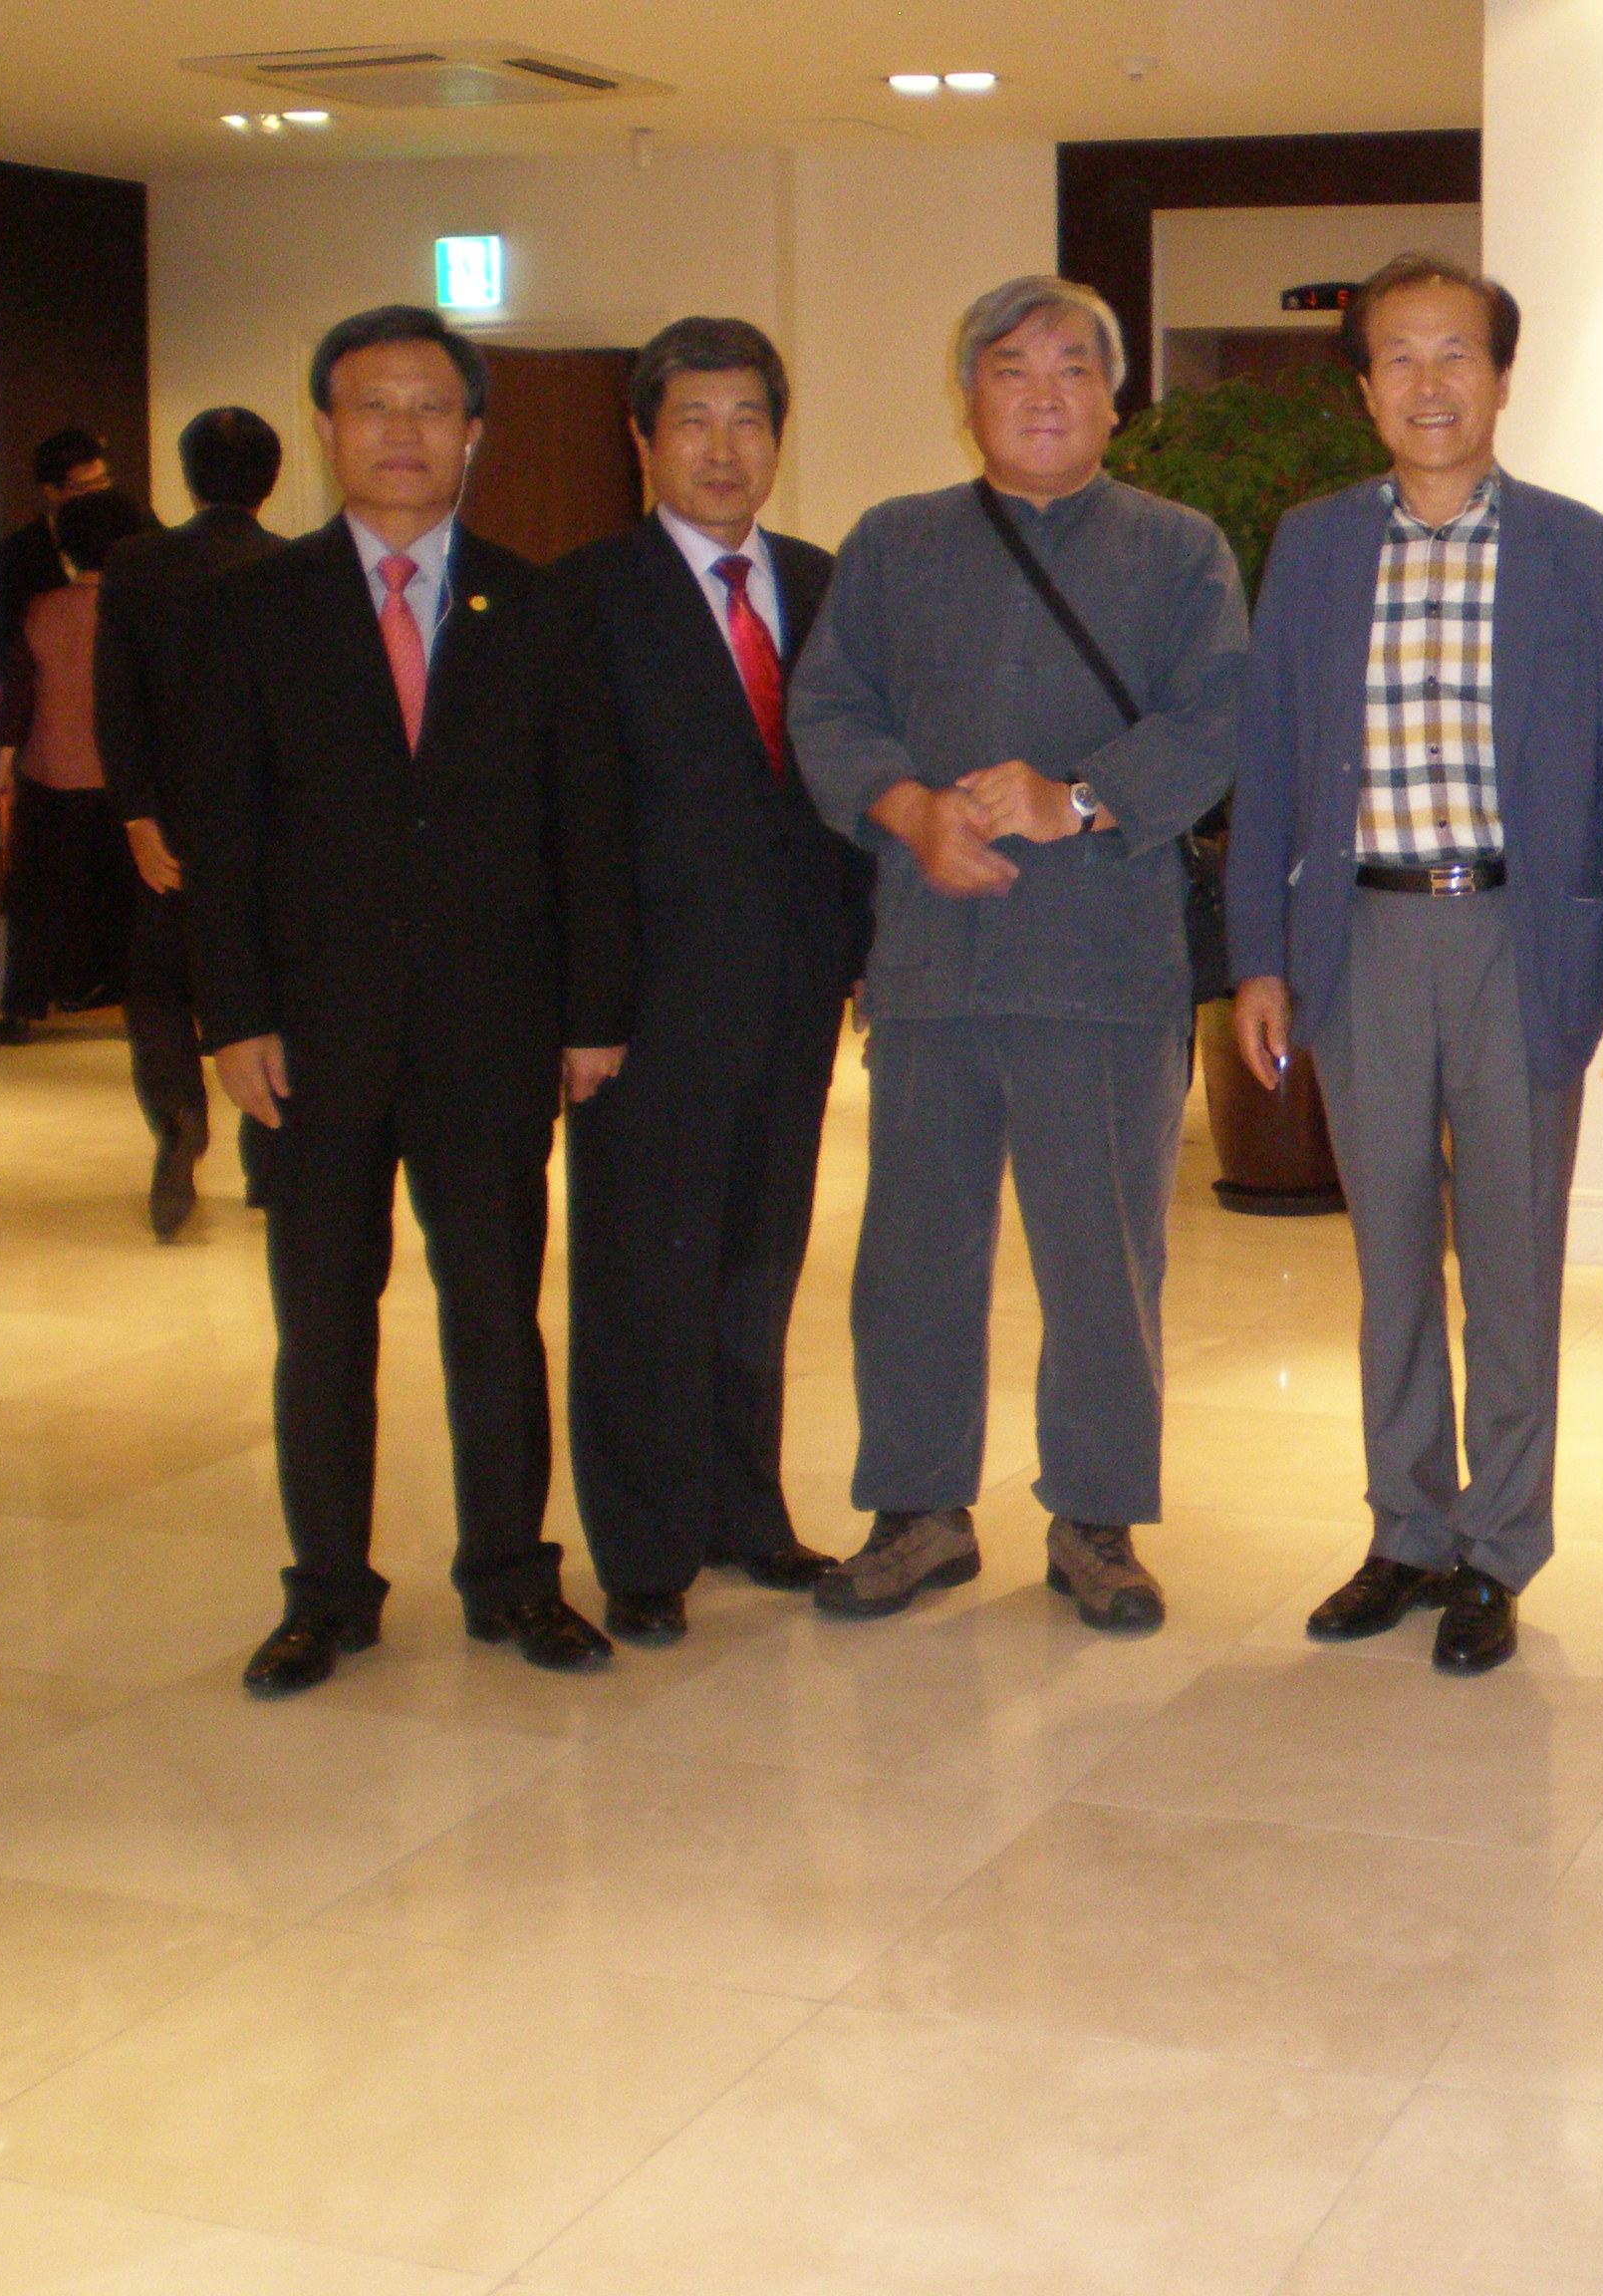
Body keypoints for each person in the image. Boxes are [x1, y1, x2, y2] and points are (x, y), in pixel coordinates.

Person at [179, 304, 635, 1696]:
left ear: (474, 431)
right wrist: (232, 1018)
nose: (401, 432)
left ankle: (513, 1579)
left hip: (494, 1030)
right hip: (310, 1038)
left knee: (495, 1312)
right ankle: (327, 1594)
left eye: (430, 407)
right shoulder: (252, 610)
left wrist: (593, 1012)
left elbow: (588, 826)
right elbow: (221, 837)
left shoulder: (539, 607)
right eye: (372, 405)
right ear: (325, 426)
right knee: (323, 1323)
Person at [790, 276, 1244, 1633]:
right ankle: (917, 1511)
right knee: (913, 1256)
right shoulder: (895, 543)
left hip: (1104, 971)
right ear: (967, 395)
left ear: (1114, 399)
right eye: (1011, 369)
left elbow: (1221, 718)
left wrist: (1079, 798)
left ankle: (1096, 1520)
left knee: (1103, 1262)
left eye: (1072, 369)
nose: (1043, 394)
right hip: (932, 963)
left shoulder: (1179, 550)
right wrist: (908, 810)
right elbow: (827, 709)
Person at [1228, 255, 1603, 1675]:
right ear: (1364, 388)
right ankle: (1405, 1531)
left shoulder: (1587, 553)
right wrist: (1261, 956)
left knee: (1513, 1263)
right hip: (1360, 940)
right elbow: (1271, 761)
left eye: (1455, 353)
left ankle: (1499, 1547)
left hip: (1519, 936)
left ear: (1503, 377)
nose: (1428, 383)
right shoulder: (1313, 548)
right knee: (1392, 1257)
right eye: (1398, 357)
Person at [554, 317, 866, 1646]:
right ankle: (644, 1546)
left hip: (793, 992)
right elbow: (571, 820)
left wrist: (864, 957)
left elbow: (853, 786)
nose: (723, 448)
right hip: (646, 1009)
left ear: (778, 439)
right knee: (642, 1277)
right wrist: (585, 1011)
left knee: (757, 1263)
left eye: (748, 421)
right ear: (643, 438)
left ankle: (747, 1511)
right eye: (694, 420)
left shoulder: (822, 580)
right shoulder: (584, 597)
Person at [95, 407, 290, 1239]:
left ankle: (178, 1115)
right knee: (274, 980)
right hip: (274, 820)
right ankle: (271, 1154)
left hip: (173, 815)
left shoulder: (136, 565)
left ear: (188, 476)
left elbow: (116, 700)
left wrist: (137, 814)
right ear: (272, 479)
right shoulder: (294, 567)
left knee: (160, 982)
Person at [0, 486, 152, 1045]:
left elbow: (18, 697)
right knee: (140, 898)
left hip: (49, 769)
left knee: (37, 898)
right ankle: (148, 1008)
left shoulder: (41, 608)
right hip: (127, 776)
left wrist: (4, 767)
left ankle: (22, 1009)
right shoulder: (142, 611)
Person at [0, 425, 111, 681]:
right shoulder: (19, 553)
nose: (98, 495)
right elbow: (11, 641)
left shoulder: (131, 536)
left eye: (102, 481)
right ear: (51, 491)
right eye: (83, 487)